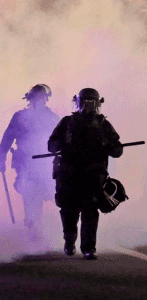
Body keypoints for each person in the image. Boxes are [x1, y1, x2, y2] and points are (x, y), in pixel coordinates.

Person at [47, 88, 123, 260]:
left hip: (93, 175)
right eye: (84, 102)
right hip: (69, 174)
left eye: (91, 102)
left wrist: (106, 145)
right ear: (78, 103)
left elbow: (118, 149)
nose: (87, 106)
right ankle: (69, 239)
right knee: (68, 210)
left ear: (97, 104)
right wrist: (62, 144)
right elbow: (51, 145)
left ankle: (89, 248)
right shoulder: (67, 123)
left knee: (90, 211)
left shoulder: (103, 125)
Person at [0, 84, 60, 237]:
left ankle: (54, 228)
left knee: (50, 193)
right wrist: (1, 158)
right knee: (30, 193)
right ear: (30, 99)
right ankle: (33, 225)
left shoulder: (53, 118)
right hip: (26, 163)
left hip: (46, 163)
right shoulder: (20, 117)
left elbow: (61, 140)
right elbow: (7, 138)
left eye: (42, 98)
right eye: (36, 98)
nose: (39, 102)